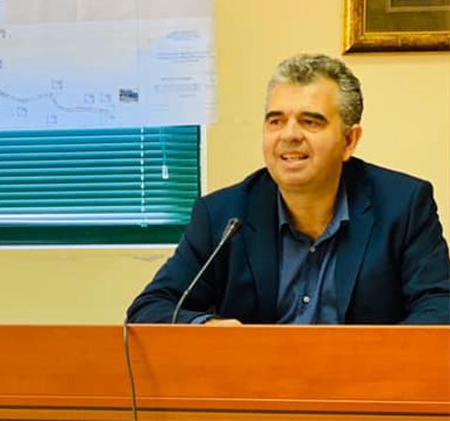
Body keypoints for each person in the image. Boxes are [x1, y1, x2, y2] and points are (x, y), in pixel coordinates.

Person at [127, 53, 450, 325]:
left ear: (349, 141)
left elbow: (439, 306)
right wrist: (207, 328)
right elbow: (150, 308)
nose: (289, 135)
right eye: (276, 121)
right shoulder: (222, 215)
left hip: (364, 378)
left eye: (310, 121)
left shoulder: (403, 205)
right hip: (256, 378)